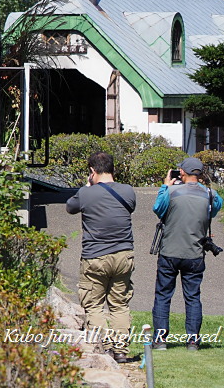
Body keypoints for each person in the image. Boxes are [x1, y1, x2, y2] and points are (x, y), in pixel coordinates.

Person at [66, 152, 137, 362]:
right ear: (113, 169)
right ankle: (121, 349)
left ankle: (104, 347)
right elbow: (130, 208)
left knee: (94, 305)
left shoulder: (86, 193)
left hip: (95, 257)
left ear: (92, 171)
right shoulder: (128, 191)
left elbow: (70, 207)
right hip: (124, 255)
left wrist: (88, 187)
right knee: (119, 305)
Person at [151, 156, 223, 351]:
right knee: (192, 297)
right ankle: (192, 341)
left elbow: (158, 208)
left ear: (182, 172)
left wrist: (165, 186)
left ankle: (160, 340)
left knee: (163, 295)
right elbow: (214, 210)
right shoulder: (210, 195)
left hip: (169, 252)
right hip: (195, 254)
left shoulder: (171, 192)